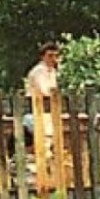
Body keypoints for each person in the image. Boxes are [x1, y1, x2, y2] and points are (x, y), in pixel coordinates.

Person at [22, 43, 60, 190]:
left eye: (55, 56)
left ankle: (47, 177)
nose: (53, 59)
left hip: (48, 112)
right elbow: (45, 91)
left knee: (49, 144)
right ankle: (40, 178)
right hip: (36, 111)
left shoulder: (53, 72)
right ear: (42, 56)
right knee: (42, 143)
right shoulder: (38, 72)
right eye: (50, 56)